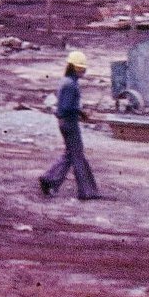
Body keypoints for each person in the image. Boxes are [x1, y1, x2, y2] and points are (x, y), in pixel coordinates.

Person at [39, 50, 103, 200]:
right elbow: (66, 107)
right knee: (77, 156)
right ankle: (86, 191)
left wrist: (80, 112)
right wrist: (80, 112)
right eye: (81, 68)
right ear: (74, 67)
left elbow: (64, 106)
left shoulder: (66, 81)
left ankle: (49, 179)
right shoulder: (69, 84)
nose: (84, 70)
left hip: (66, 122)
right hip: (69, 123)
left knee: (71, 154)